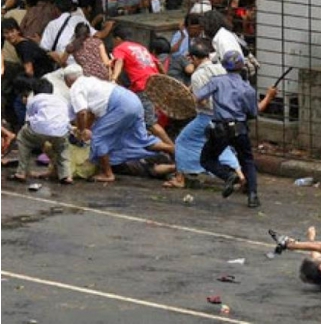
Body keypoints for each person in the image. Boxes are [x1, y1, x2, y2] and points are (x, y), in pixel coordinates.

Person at [196, 50, 277, 208]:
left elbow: (197, 97)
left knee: (207, 159)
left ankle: (228, 176)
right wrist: (268, 97)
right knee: (247, 160)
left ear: (224, 66)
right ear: (241, 67)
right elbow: (254, 112)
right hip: (240, 128)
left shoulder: (216, 81)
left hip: (221, 128)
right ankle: (252, 195)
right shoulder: (248, 89)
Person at [65, 65, 174, 182]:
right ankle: (174, 150)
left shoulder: (75, 88)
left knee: (98, 138)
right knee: (141, 139)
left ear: (67, 80)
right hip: (132, 99)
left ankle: (107, 174)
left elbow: (81, 113)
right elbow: (91, 113)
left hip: (119, 105)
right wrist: (86, 128)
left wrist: (82, 131)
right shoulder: (91, 80)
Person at [163, 41, 244, 189]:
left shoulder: (198, 75)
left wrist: (191, 101)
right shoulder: (221, 68)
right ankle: (240, 174)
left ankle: (180, 177)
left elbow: (203, 101)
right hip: (227, 114)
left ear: (194, 58)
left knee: (182, 140)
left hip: (208, 116)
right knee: (220, 145)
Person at [111, 25, 174, 146]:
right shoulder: (141, 47)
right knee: (140, 118)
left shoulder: (120, 48)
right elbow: (158, 64)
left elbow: (119, 61)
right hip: (154, 84)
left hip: (143, 86)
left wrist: (113, 78)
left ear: (117, 39)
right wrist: (166, 80)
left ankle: (174, 150)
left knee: (150, 123)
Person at [9, 79, 73, 184]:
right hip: (61, 130)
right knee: (63, 148)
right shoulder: (61, 100)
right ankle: (66, 176)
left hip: (38, 130)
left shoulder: (34, 99)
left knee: (22, 139)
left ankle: (21, 172)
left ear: (35, 91)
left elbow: (29, 116)